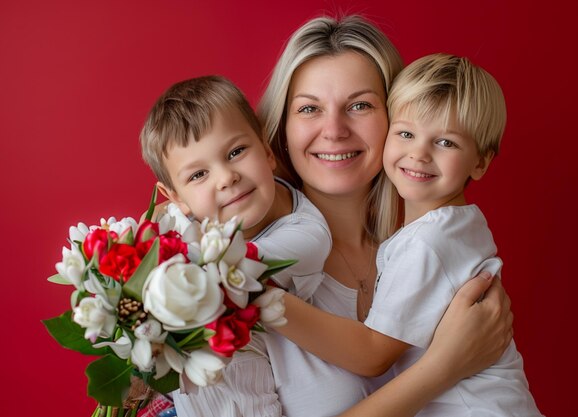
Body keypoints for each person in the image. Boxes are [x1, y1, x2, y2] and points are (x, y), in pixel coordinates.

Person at [148, 15, 514, 417]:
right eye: (309, 109)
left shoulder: (428, 246)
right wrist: (442, 368)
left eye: (359, 105)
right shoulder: (240, 267)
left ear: (400, 116)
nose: (334, 130)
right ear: (280, 130)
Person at [275, 52, 543, 415]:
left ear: (480, 162)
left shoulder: (427, 242)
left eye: (445, 142)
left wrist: (265, 301)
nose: (419, 153)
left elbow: (372, 355)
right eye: (406, 134)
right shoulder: (455, 227)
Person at [139, 74, 332, 416]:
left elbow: (217, 269)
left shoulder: (305, 237)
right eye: (199, 175)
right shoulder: (193, 217)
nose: (227, 177)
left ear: (267, 151)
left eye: (236, 152)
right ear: (175, 196)